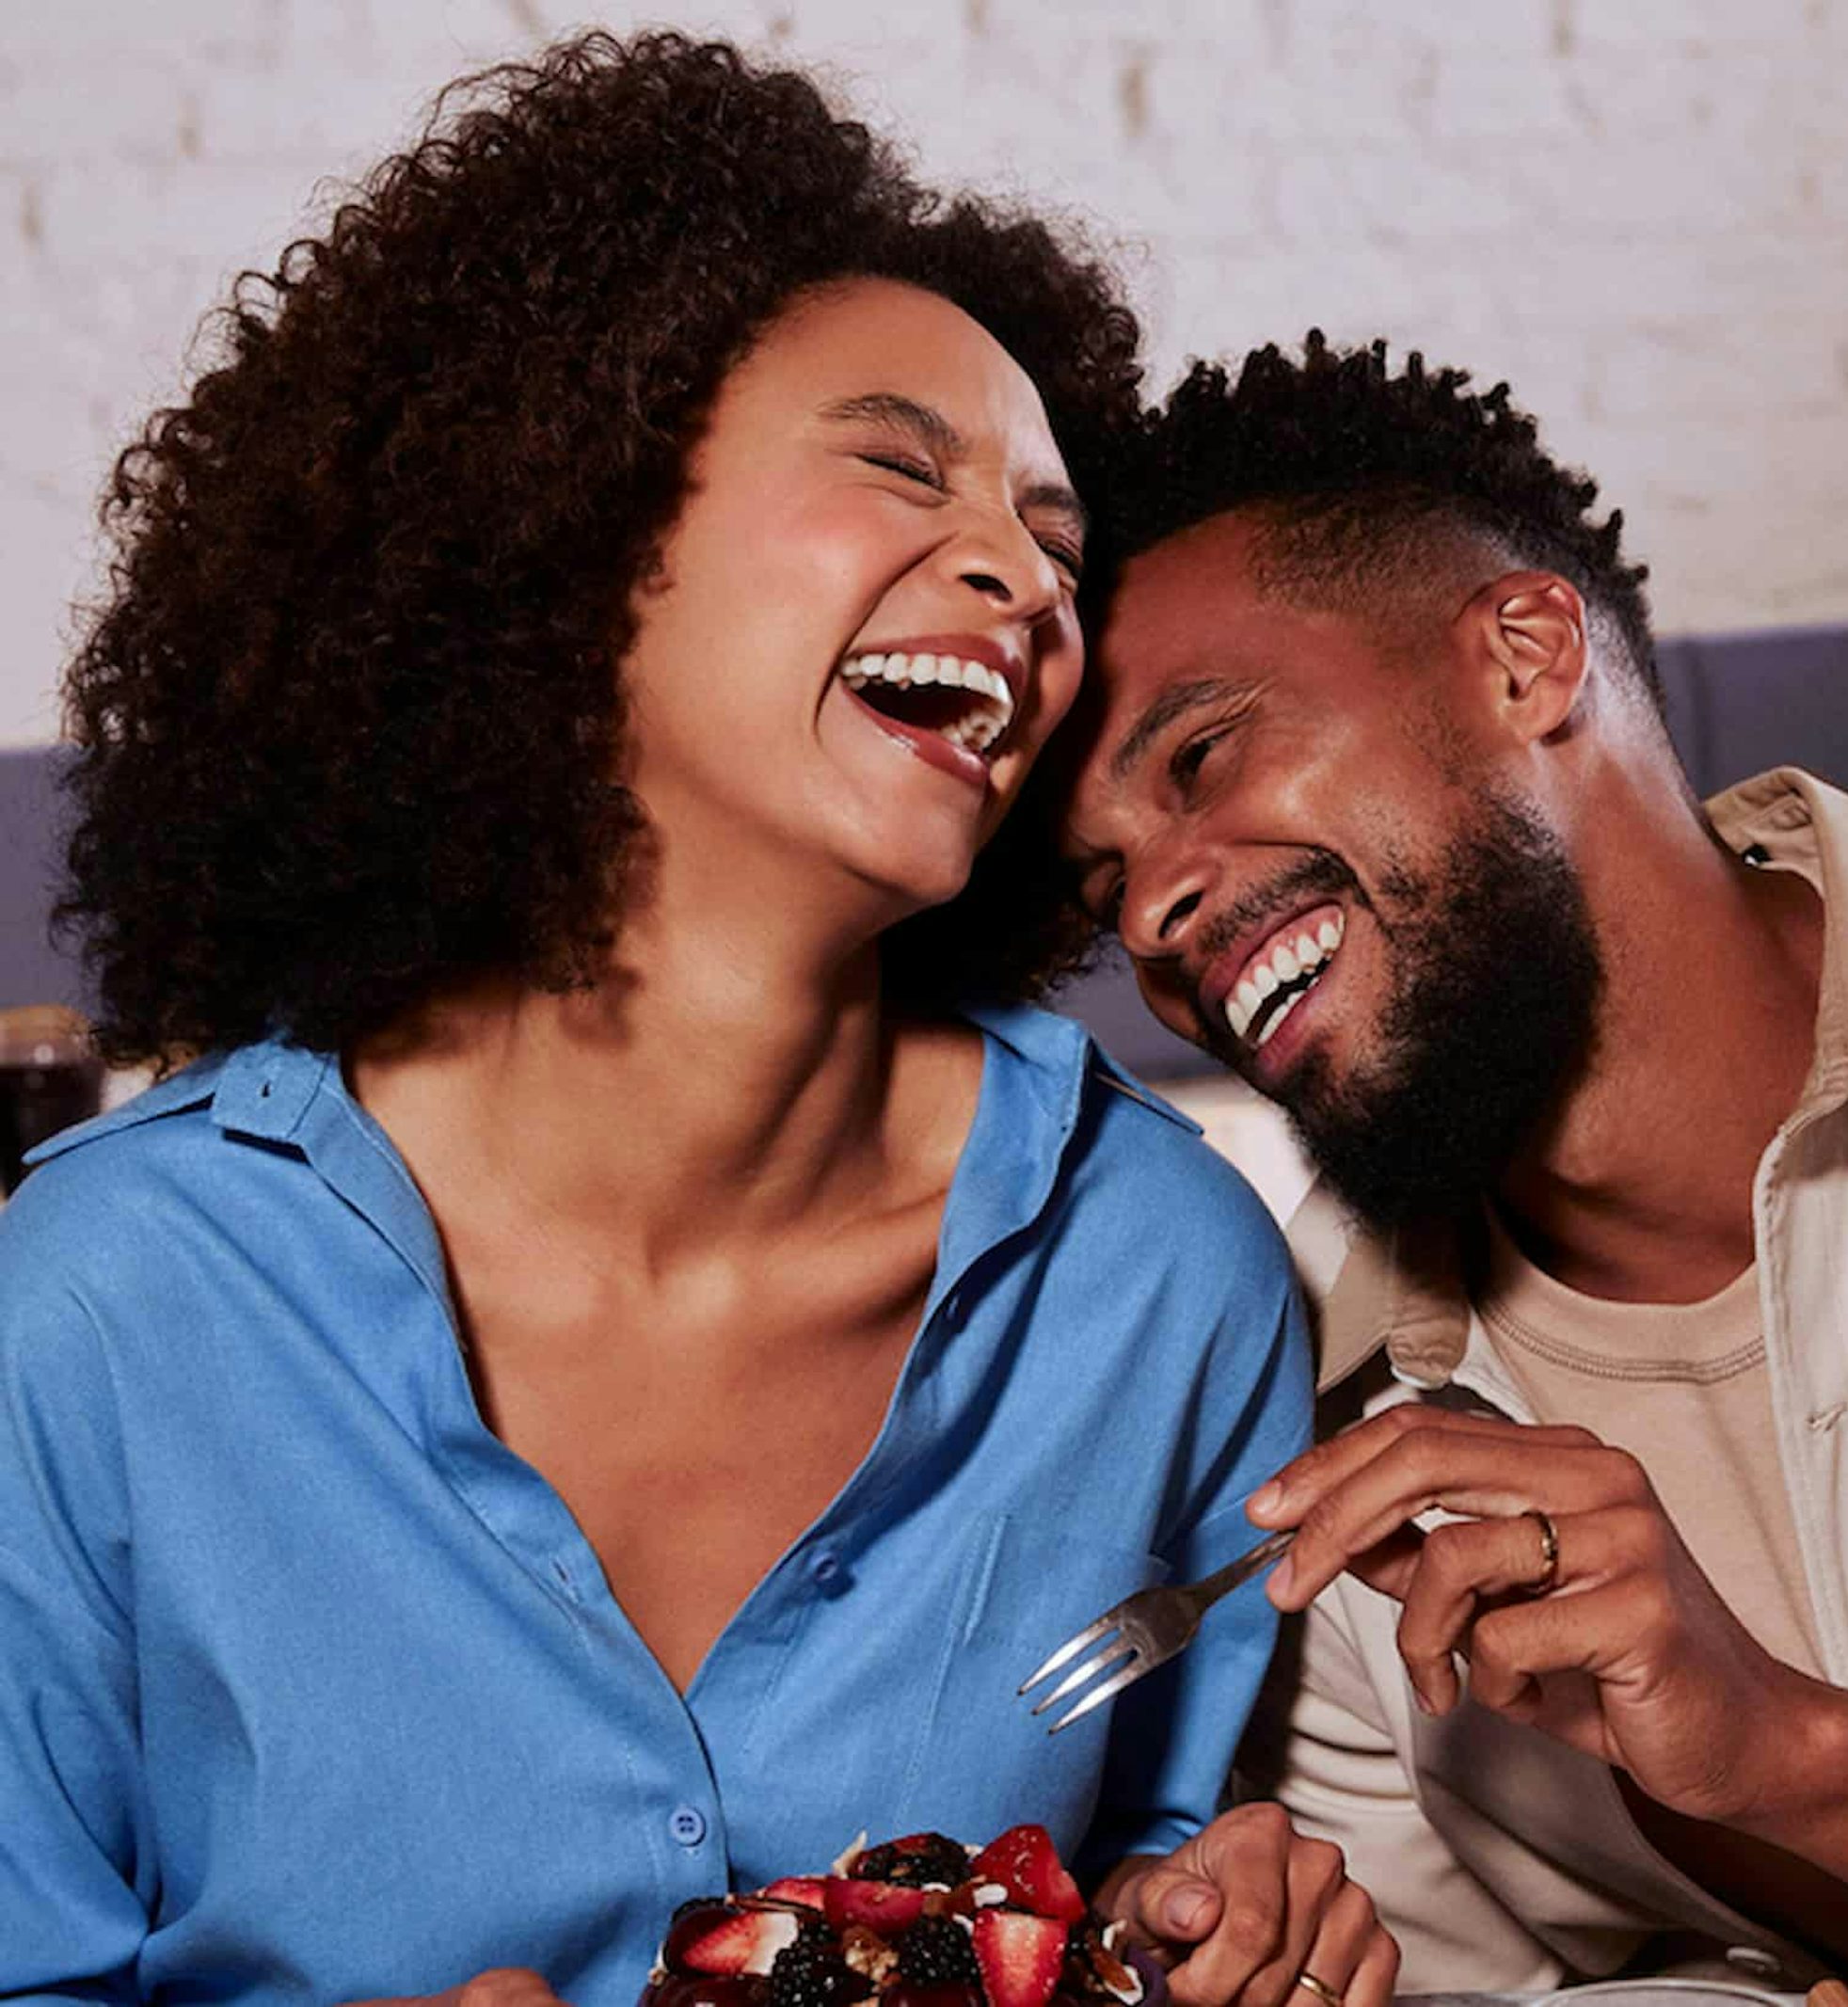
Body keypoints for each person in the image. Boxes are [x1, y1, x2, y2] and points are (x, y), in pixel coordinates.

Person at [0, 37, 1397, 2007]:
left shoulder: (1157, 1282)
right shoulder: (97, 1309)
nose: (1015, 574)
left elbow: (1146, 1880)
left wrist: (1221, 1925)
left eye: (1056, 546)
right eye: (901, 465)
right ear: (570, 532)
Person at [1060, 331, 1848, 1987]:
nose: (1151, 919)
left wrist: (1789, 1751)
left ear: (1525, 655)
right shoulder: (1333, 1461)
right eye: (1105, 893)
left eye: (1202, 755)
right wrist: (1266, 1945)